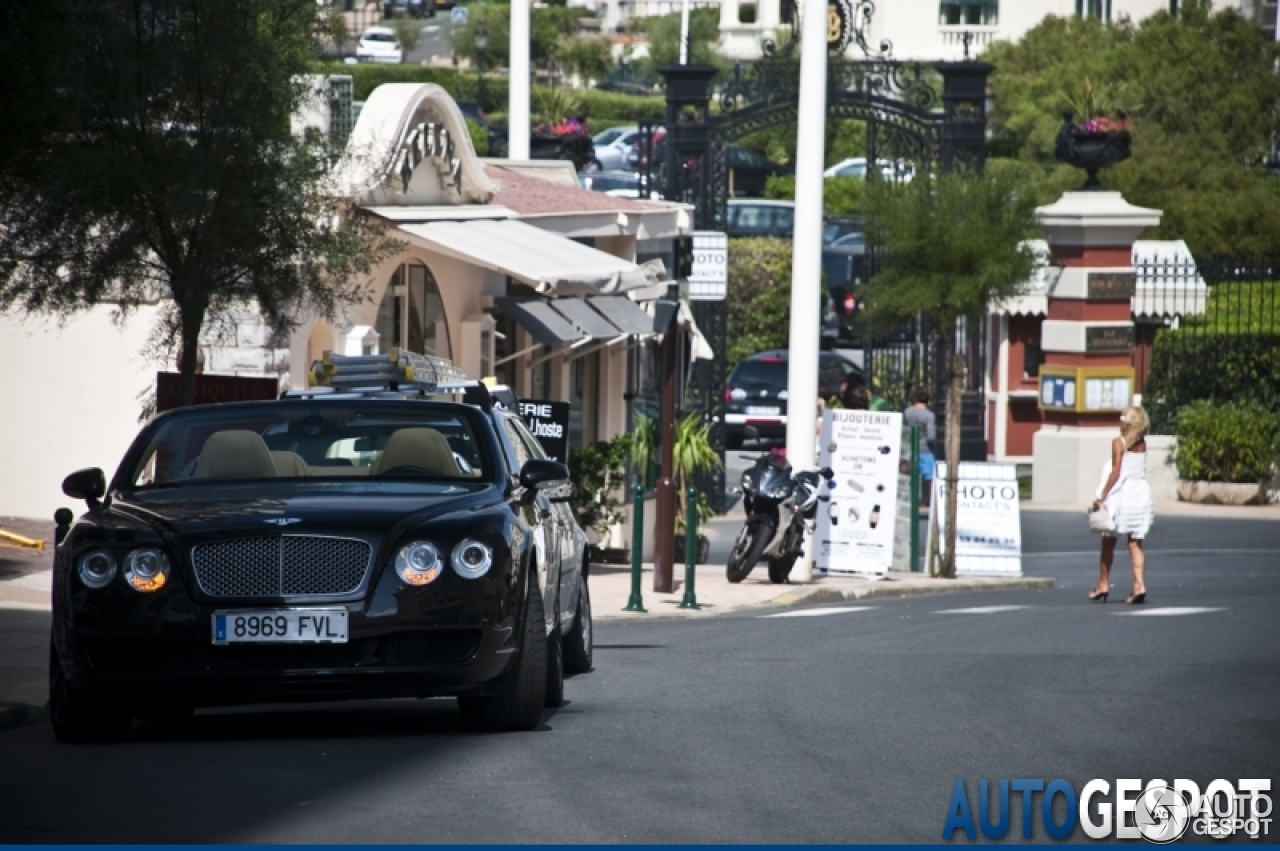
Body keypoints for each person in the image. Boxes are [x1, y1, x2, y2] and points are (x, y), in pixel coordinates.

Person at [1089, 405, 1154, 605]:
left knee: (1108, 539)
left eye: (1122, 417)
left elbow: (1116, 472)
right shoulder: (1142, 443)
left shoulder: (1119, 443)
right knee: (1135, 542)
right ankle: (1139, 584)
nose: (1120, 420)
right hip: (1141, 494)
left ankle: (1103, 583)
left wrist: (1102, 495)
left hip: (1123, 495)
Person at [904, 389, 936, 507]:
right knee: (930, 477)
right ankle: (929, 501)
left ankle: (911, 499)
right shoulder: (929, 415)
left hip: (910, 448)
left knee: (911, 475)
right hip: (925, 449)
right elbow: (931, 436)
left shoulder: (907, 412)